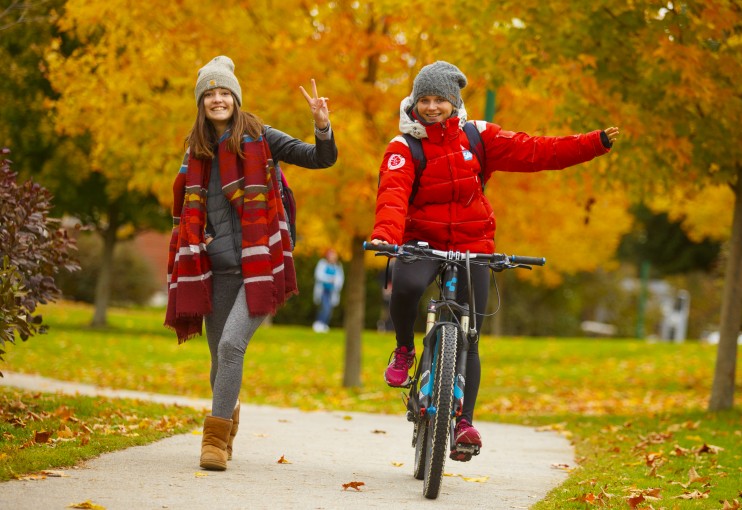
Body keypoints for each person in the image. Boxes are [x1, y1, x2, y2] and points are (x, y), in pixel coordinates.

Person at [369, 61, 619, 461]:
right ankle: (403, 349)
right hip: (421, 240)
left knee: (469, 332)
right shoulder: (404, 145)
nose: (432, 107)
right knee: (408, 284)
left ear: (454, 102)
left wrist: (594, 142)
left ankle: (465, 422)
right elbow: (393, 194)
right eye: (425, 100)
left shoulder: (478, 136)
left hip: (473, 243)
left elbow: (539, 151)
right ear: (415, 102)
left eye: (440, 100)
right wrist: (386, 236)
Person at [165, 55, 337, 471]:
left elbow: (320, 158)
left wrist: (322, 125)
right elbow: (186, 208)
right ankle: (228, 423)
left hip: (262, 266)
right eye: (211, 93)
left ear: (236, 98)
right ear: (201, 102)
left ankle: (213, 440)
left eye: (225, 92)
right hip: (218, 266)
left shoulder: (261, 136)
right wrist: (198, 236)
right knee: (219, 359)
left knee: (230, 345)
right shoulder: (196, 151)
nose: (218, 99)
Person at [312, 248, 344, 332]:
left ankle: (324, 324)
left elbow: (340, 279)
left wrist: (336, 283)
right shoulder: (322, 263)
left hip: (332, 291)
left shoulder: (338, 266)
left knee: (329, 309)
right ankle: (319, 323)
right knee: (325, 307)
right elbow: (319, 276)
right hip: (323, 290)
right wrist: (330, 279)